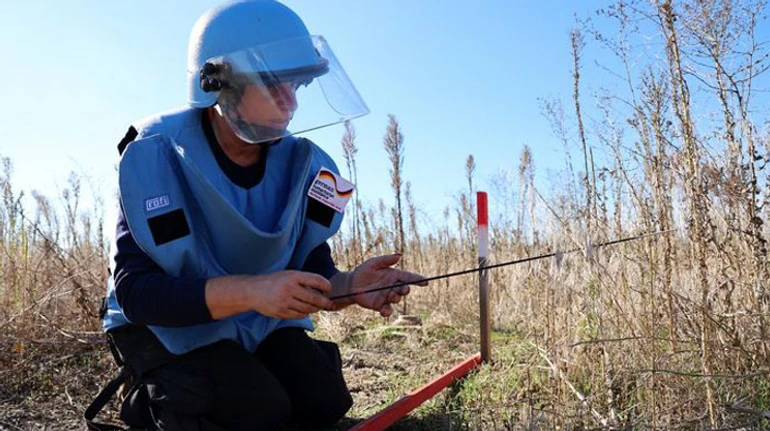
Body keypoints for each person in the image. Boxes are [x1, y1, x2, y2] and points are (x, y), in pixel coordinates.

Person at [84, 1, 427, 430]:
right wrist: (252, 291)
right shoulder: (154, 154)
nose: (290, 105)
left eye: (296, 86)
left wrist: (346, 286)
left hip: (253, 318)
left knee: (322, 399)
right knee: (254, 408)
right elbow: (137, 294)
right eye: (272, 86)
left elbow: (309, 260)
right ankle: (148, 404)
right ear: (219, 85)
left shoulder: (306, 167)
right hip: (163, 325)